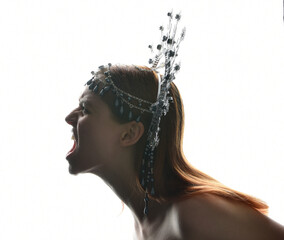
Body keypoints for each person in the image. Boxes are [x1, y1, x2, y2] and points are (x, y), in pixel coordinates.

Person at [65, 64, 284, 240]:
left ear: (129, 133)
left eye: (85, 109)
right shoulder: (143, 227)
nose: (69, 118)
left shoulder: (192, 214)